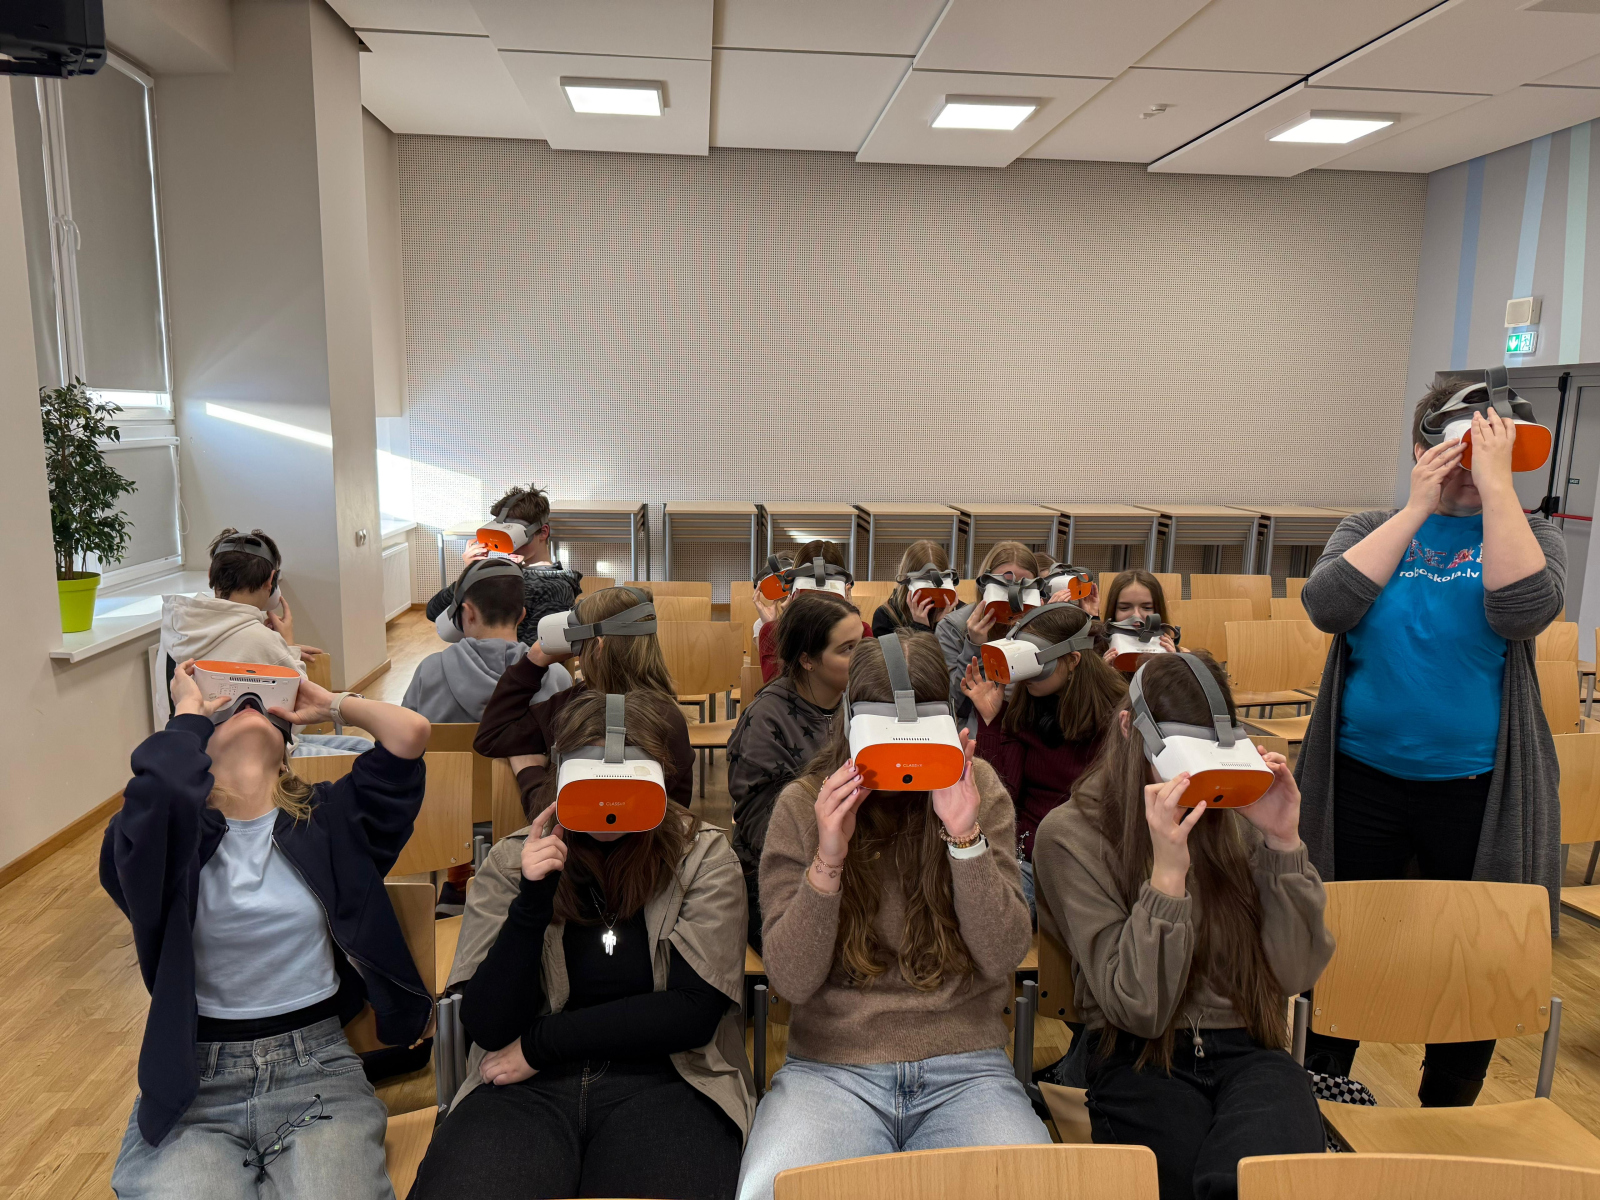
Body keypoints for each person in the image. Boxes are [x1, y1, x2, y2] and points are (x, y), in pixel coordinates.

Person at [1296, 387, 1565, 1106]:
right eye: (1455, 448)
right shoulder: (1368, 526)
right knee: (1341, 943)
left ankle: (1446, 1108)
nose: (1469, 465)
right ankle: (1319, 1092)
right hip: (1359, 780)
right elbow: (1328, 607)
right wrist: (1417, 507)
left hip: (1479, 790)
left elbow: (1521, 613)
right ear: (1421, 448)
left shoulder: (1534, 535)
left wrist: (1498, 490)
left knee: (1472, 952)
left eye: (1488, 449)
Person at [104, 660, 433, 1199]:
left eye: (262, 705)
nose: (249, 705)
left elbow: (410, 734)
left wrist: (330, 704)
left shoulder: (331, 818)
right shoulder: (165, 842)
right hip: (196, 1086)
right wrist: (187, 715)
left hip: (318, 1071)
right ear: (195, 752)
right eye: (228, 705)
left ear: (286, 752)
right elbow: (159, 790)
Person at [737, 634, 1048, 1200]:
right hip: (832, 1069)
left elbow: (1004, 953)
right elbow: (791, 980)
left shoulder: (978, 790)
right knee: (771, 1191)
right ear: (851, 723)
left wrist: (964, 836)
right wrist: (828, 860)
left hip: (965, 1066)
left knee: (1031, 1189)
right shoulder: (805, 805)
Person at [411, 689, 752, 1200]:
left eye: (626, 788)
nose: (609, 805)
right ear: (561, 779)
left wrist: (542, 1044)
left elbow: (692, 1013)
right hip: (524, 1087)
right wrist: (532, 902)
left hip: (667, 1078)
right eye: (592, 787)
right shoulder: (511, 861)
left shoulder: (702, 858)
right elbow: (488, 1023)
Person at [1032, 651, 1334, 1200]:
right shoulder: (1070, 834)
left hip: (1251, 1048)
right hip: (1136, 1054)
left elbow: (1292, 975)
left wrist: (1283, 844)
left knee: (1257, 1182)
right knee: (1185, 1181)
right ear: (1130, 729)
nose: (1197, 783)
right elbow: (1138, 1010)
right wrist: (1167, 877)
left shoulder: (1237, 813)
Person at [958, 603, 1125, 916]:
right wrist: (991, 720)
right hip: (1023, 855)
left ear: (1073, 659)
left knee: (987, 912)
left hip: (1081, 859)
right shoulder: (1027, 706)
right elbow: (1001, 797)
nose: (1024, 674)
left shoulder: (1117, 718)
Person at [475, 585, 693, 819]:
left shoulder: (573, 709)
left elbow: (492, 736)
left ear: (598, 648)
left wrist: (529, 772)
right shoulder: (669, 717)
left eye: (580, 645)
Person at [726, 591, 863, 951]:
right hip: (781, 875)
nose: (862, 657)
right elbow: (763, 831)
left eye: (862, 644)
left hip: (847, 862)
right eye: (847, 649)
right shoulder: (765, 719)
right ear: (807, 660)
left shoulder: (860, 704)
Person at [161, 528, 370, 757]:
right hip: (257, 758)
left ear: (211, 574)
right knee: (365, 751)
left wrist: (281, 649)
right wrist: (287, 646)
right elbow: (297, 718)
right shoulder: (261, 639)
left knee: (358, 746)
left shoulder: (179, 627)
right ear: (271, 581)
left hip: (195, 750)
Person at [404, 561, 569, 725]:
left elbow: (405, 732)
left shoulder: (429, 671)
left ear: (468, 613)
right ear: (521, 615)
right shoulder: (557, 677)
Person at [425, 484, 583, 648]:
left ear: (543, 532)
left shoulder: (555, 587)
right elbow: (434, 611)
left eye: (516, 537)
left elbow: (536, 652)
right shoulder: (501, 575)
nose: (510, 548)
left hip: (499, 661)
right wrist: (471, 573)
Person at [935, 541, 1039, 733]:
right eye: (1004, 585)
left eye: (1024, 586)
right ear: (984, 585)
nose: (1013, 596)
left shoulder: (1039, 625)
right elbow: (955, 705)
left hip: (1029, 728)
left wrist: (1045, 627)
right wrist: (974, 647)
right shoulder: (952, 628)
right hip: (978, 731)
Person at [754, 540, 872, 682]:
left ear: (845, 590)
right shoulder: (771, 632)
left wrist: (849, 621)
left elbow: (865, 686)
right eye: (810, 592)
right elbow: (776, 687)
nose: (819, 602)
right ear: (793, 590)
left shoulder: (861, 631)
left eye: (828, 593)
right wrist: (787, 628)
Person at [872, 540, 957, 637]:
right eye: (923, 581)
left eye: (935, 582)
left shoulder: (958, 612)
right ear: (907, 581)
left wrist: (943, 626)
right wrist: (920, 627)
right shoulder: (886, 616)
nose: (930, 589)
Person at [1100, 569, 1178, 665]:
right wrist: (1104, 671)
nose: (1136, 616)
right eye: (1124, 608)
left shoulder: (1173, 652)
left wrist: (1173, 665)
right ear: (1113, 611)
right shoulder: (1097, 653)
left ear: (1158, 611)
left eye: (1147, 608)